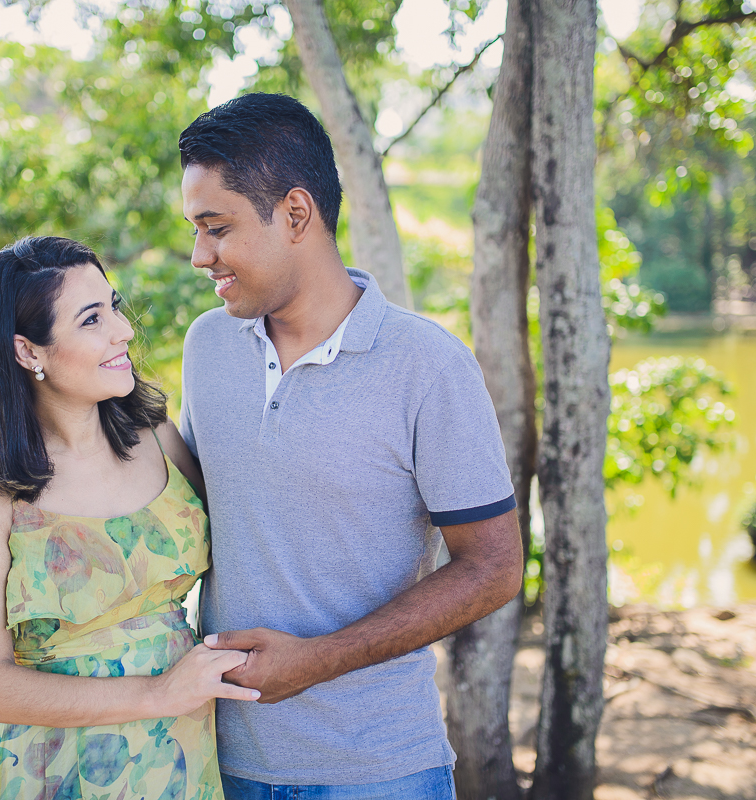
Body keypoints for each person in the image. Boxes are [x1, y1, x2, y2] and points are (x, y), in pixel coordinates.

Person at [177, 93, 524, 798]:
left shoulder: (427, 365)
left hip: (380, 770)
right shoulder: (207, 345)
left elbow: (494, 567)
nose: (199, 255)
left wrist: (317, 660)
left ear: (295, 214)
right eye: (196, 231)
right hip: (222, 761)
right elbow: (186, 507)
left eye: (217, 228)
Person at [0, 236, 258, 799]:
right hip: (52, 769)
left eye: (114, 306)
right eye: (92, 320)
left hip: (180, 757)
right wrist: (158, 693)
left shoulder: (155, 437)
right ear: (28, 352)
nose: (123, 331)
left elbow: (252, 538)